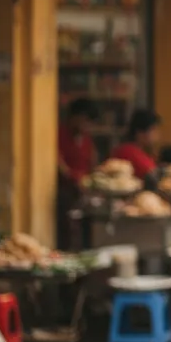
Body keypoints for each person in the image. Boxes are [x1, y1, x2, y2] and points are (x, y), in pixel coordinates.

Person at [57, 99, 99, 250]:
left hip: (83, 194)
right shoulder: (58, 135)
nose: (87, 127)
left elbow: (93, 163)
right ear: (75, 117)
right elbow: (60, 165)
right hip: (65, 194)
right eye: (85, 121)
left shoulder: (86, 140)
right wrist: (77, 179)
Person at [111, 109, 162, 180]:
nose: (157, 134)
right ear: (140, 132)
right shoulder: (128, 151)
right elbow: (151, 173)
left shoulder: (142, 150)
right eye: (153, 129)